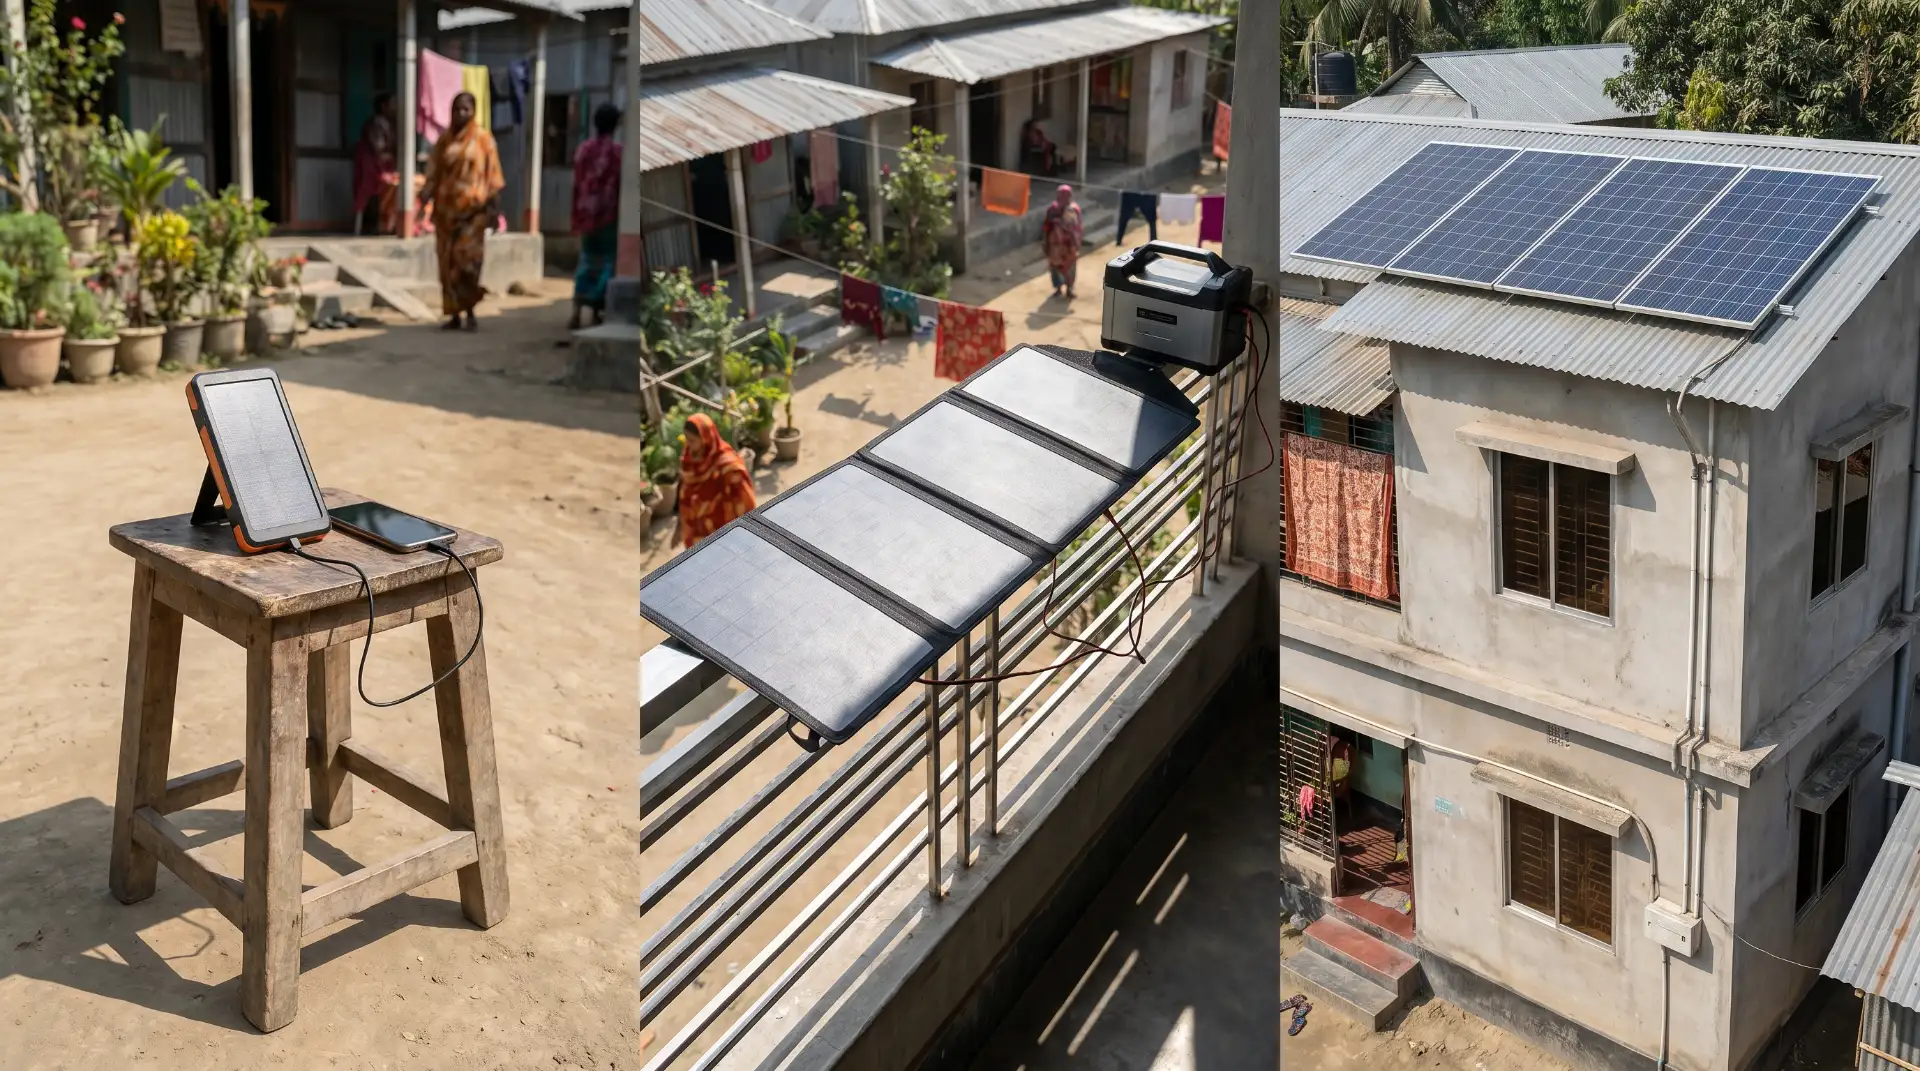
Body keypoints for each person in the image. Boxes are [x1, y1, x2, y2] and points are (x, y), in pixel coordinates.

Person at [421, 91, 505, 331]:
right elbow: (433, 172)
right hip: (446, 214)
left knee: (467, 263)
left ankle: (470, 312)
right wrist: (425, 194)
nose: (461, 114)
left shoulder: (483, 139)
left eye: (466, 109)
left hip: (473, 214)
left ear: (474, 111)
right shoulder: (444, 140)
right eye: (457, 109)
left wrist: (494, 210)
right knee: (447, 265)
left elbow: (494, 177)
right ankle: (454, 315)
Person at [569, 103, 623, 330]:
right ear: (616, 124)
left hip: (586, 216)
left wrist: (575, 215)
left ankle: (576, 312)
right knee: (607, 264)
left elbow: (576, 184)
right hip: (609, 218)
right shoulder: (618, 152)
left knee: (587, 262)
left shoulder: (583, 149)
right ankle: (595, 314)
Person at [674, 414, 757, 548]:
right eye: (686, 439)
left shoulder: (730, 469)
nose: (688, 444)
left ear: (705, 439)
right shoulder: (690, 460)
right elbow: (686, 496)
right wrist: (680, 526)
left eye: (692, 440)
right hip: (696, 540)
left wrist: (748, 541)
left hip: (725, 540)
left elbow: (747, 505)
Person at [352, 93, 398, 235]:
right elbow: (378, 149)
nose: (395, 107)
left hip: (381, 166)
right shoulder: (378, 123)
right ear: (383, 106)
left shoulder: (388, 122)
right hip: (373, 168)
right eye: (392, 104)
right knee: (391, 188)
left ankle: (385, 225)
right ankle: (380, 225)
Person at [1041, 184, 1083, 299]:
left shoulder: (1072, 209)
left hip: (1064, 245)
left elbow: (1077, 227)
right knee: (1058, 266)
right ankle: (1062, 289)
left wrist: (1046, 242)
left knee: (1066, 266)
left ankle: (1065, 289)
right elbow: (1046, 227)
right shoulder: (1053, 209)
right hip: (1059, 245)